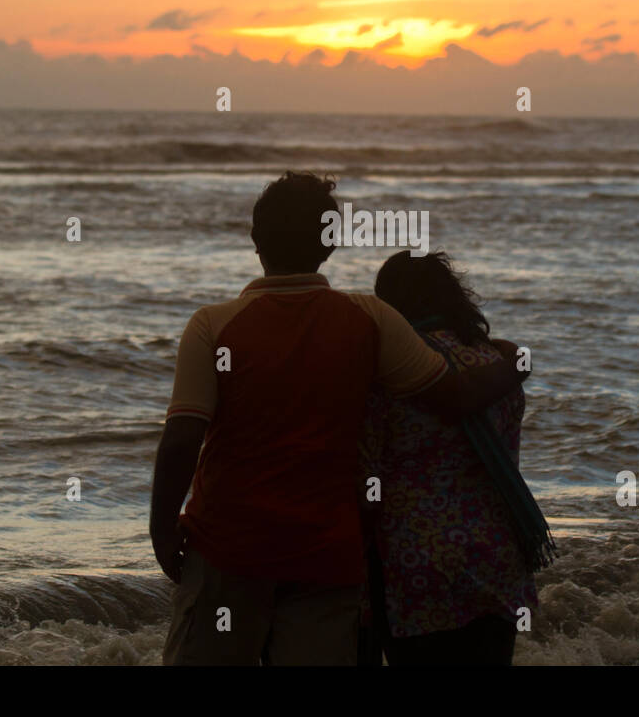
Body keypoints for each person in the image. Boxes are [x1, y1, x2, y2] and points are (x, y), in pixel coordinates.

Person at [150, 172, 529, 665]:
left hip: (229, 550)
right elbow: (457, 396)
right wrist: (517, 364)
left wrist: (162, 528)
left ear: (255, 239)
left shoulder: (212, 325)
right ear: (329, 246)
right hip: (325, 558)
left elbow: (183, 438)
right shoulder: (371, 320)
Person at [359, 250, 553, 666]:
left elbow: (367, 478)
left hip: (415, 561)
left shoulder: (389, 372)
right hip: (497, 553)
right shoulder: (495, 361)